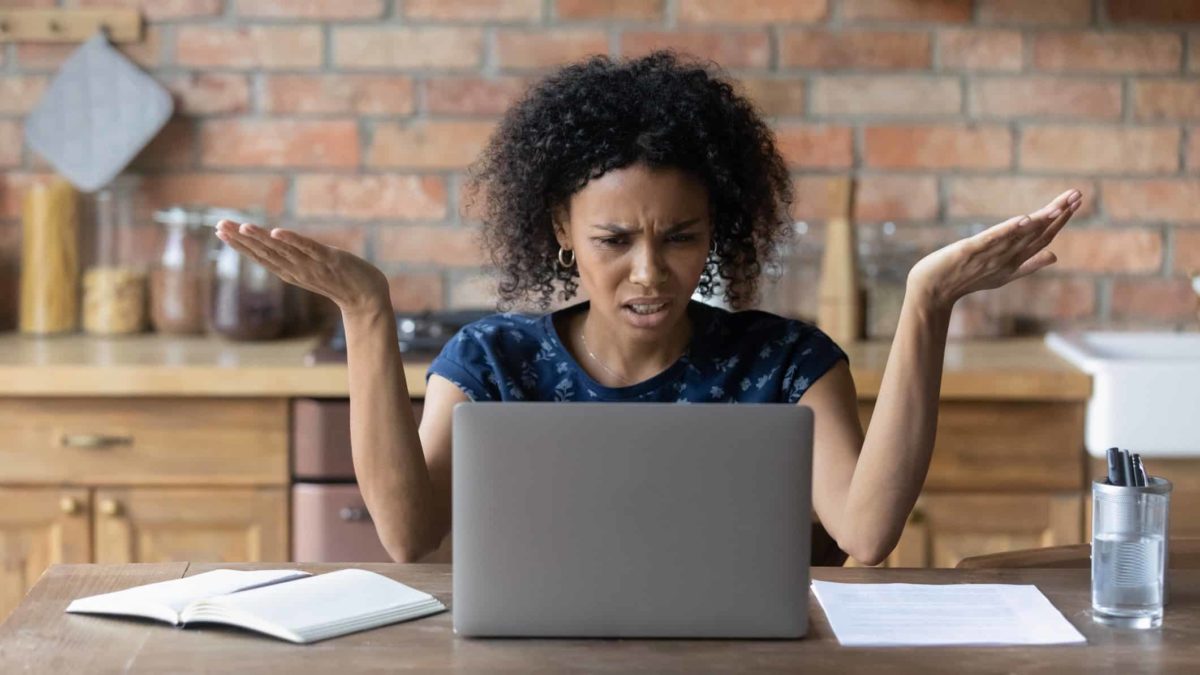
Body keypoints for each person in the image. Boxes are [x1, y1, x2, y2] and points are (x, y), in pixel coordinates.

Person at [215, 52, 1081, 566]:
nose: (648, 273)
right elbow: (408, 536)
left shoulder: (785, 361)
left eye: (679, 237)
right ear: (561, 229)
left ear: (718, 231)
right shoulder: (490, 363)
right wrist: (367, 311)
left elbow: (868, 530)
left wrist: (926, 303)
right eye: (613, 240)